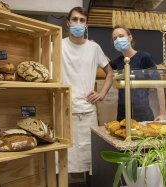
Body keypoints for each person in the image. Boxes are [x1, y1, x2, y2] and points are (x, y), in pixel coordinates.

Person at [62, 6, 113, 181]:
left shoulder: (94, 48)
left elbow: (110, 73)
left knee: (91, 159)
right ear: (68, 22)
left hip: (88, 111)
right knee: (62, 159)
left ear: (86, 25)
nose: (78, 23)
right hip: (64, 111)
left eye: (81, 20)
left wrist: (102, 93)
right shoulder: (57, 45)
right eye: (74, 19)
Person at [110, 25, 166, 122]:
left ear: (130, 37)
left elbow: (159, 85)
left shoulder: (144, 57)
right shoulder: (118, 62)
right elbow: (106, 68)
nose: (118, 40)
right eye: (115, 38)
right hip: (122, 113)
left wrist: (163, 114)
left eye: (121, 36)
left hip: (142, 113)